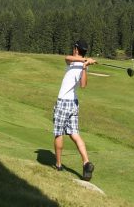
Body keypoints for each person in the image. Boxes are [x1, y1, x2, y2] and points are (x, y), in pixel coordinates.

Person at [52, 39, 96, 181]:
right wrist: (85, 63)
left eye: (74, 47)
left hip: (63, 102)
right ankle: (86, 162)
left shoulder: (79, 64)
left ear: (76, 49)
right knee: (74, 134)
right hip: (74, 103)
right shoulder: (78, 62)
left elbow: (83, 85)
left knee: (58, 134)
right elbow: (68, 58)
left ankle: (58, 165)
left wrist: (85, 65)